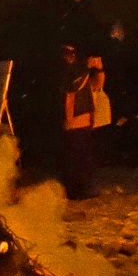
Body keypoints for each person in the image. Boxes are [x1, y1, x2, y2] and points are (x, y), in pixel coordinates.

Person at [59, 45, 111, 199]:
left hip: (87, 122)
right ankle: (76, 192)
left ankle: (87, 189)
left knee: (86, 159)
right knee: (76, 161)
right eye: (67, 53)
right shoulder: (65, 72)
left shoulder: (79, 71)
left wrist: (99, 69)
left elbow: (97, 85)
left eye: (73, 52)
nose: (71, 56)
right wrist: (85, 68)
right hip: (73, 123)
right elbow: (73, 87)